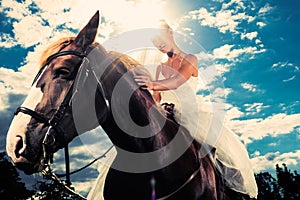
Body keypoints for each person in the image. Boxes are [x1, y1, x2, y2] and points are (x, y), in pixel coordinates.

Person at [134, 20, 258, 198]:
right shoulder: (159, 68)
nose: (158, 44)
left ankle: (230, 191)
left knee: (218, 154)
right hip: (166, 116)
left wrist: (152, 84)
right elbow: (157, 97)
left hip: (190, 115)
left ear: (170, 32)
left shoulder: (190, 59)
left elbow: (177, 81)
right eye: (154, 41)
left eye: (160, 37)